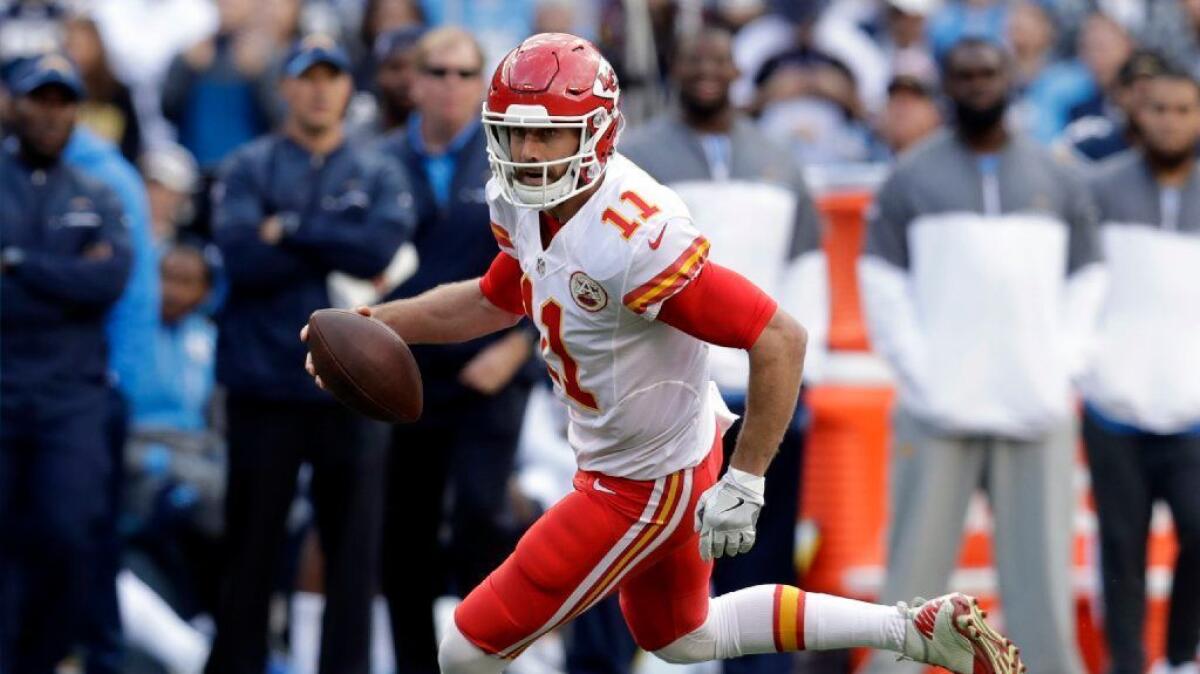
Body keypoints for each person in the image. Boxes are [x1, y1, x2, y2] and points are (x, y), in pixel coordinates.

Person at [302, 32, 1024, 674]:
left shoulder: (633, 239)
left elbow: (779, 337)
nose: (525, 154)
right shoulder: (527, 198)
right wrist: (377, 321)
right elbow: (497, 296)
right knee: (680, 635)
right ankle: (912, 628)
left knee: (466, 648)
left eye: (547, 136)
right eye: (514, 134)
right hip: (651, 445)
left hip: (638, 481)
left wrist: (747, 481)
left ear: (599, 133)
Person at [857, 38, 1105, 674]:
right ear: (946, 85)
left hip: (1035, 407)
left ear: (1011, 80)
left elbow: (1088, 281)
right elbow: (881, 284)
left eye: (989, 72)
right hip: (937, 411)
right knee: (912, 586)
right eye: (964, 74)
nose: (977, 85)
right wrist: (923, 378)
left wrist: (1060, 371)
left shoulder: (1059, 177)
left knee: (1043, 589)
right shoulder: (910, 176)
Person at [205, 35, 414, 674]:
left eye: (332, 77)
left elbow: (377, 251)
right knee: (250, 552)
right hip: (263, 384)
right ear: (286, 87)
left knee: (352, 557)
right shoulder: (248, 164)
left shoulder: (378, 168)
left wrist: (291, 227)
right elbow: (241, 253)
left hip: (350, 391)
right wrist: (331, 238)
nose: (320, 89)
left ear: (349, 89)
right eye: (307, 77)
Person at [620, 27, 826, 674]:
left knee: (762, 553)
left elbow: (806, 270)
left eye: (719, 59)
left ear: (739, 70)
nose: (707, 70)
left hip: (765, 387)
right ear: (675, 69)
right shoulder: (637, 158)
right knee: (667, 559)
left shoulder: (781, 160)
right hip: (678, 393)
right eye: (694, 60)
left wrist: (802, 378)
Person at [376, 27, 535, 674]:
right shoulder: (377, 160)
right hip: (399, 372)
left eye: (466, 74)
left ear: (482, 85)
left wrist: (518, 348)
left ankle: (485, 661)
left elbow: (555, 263)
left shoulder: (516, 162)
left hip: (486, 372)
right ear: (412, 81)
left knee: (482, 515)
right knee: (402, 536)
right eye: (437, 72)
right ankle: (417, 664)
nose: (451, 86)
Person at [0, 53, 132, 674]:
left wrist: (20, 265)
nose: (51, 113)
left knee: (70, 529)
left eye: (63, 100)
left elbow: (109, 280)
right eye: (38, 99)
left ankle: (45, 657)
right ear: (13, 103)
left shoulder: (98, 191)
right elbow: (85, 279)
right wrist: (69, 276)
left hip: (71, 395)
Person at [1080, 68, 1200, 674]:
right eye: (1159, 108)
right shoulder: (1096, 189)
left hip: (1194, 414)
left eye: (1183, 109)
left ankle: (1181, 660)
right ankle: (1125, 665)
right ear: (1136, 112)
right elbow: (1072, 289)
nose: (1170, 120)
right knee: (1122, 554)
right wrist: (1093, 369)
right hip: (1115, 409)